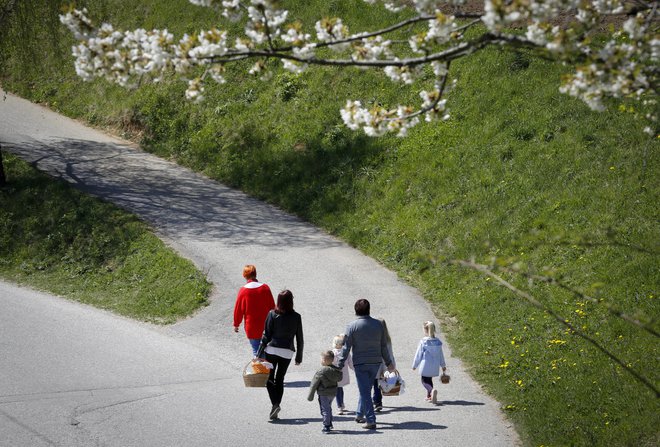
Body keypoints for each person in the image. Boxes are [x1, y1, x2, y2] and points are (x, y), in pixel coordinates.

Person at [337, 299, 394, 430]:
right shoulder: (378, 325)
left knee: (364, 391)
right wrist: (389, 362)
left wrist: (340, 364)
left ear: (355, 310)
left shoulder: (351, 326)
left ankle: (371, 420)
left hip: (360, 362)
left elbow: (346, 347)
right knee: (366, 389)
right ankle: (359, 414)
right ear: (369, 309)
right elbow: (383, 346)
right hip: (375, 362)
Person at [256, 289, 304, 421]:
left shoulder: (272, 314)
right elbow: (299, 338)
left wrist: (258, 353)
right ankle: (276, 405)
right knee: (280, 379)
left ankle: (275, 404)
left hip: (272, 349)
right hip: (287, 351)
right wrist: (299, 356)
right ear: (291, 301)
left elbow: (266, 335)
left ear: (279, 301)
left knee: (269, 379)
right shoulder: (297, 316)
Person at [233, 265, 275, 357]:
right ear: (255, 274)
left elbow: (238, 310)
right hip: (267, 326)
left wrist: (236, 324)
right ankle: (268, 370)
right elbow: (272, 307)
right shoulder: (265, 288)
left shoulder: (243, 291)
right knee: (268, 351)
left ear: (244, 275)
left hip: (252, 328)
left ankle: (260, 370)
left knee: (256, 351)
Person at [307, 350, 343, 433]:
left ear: (323, 360)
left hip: (323, 393)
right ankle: (329, 423)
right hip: (333, 392)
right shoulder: (336, 370)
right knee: (328, 407)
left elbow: (314, 384)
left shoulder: (321, 371)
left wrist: (310, 396)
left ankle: (326, 425)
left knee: (325, 410)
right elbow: (339, 378)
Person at [412, 321, 447, 404]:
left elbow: (418, 354)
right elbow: (441, 354)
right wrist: (443, 365)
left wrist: (415, 365)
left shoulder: (424, 342)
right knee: (429, 379)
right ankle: (429, 396)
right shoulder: (438, 342)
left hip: (425, 364)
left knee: (424, 380)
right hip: (435, 365)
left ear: (425, 330)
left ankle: (431, 391)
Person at [373, 318, 395, 412]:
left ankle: (376, 402)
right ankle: (377, 401)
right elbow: (390, 353)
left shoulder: (375, 339)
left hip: (376, 365)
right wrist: (392, 365)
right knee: (379, 385)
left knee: (374, 384)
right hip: (385, 365)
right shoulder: (388, 339)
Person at [331, 334, 353, 415]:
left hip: (336, 375)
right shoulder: (346, 352)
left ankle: (339, 407)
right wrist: (355, 370)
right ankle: (342, 405)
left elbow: (330, 364)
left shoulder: (333, 353)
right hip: (343, 375)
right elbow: (351, 363)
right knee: (340, 389)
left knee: (337, 391)